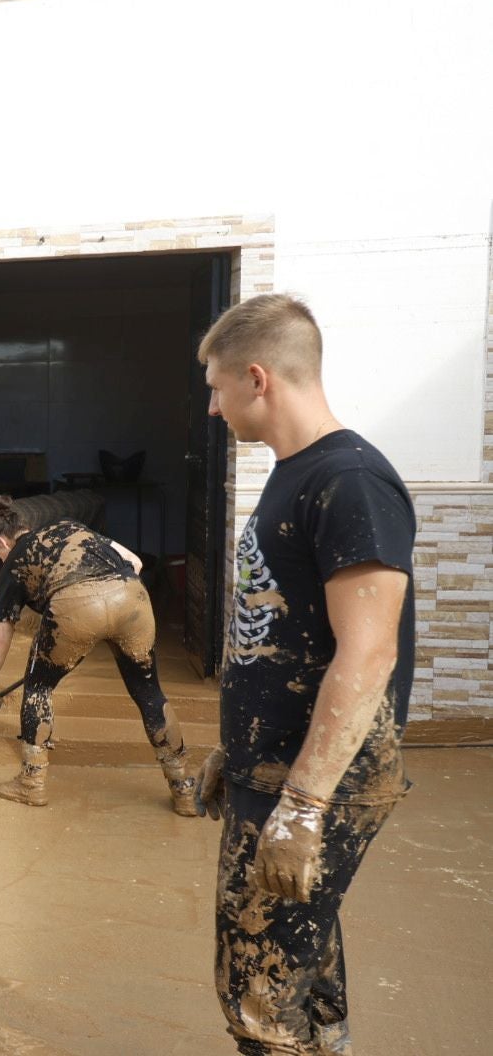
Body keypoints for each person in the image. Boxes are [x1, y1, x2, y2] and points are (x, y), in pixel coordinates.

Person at [193, 294, 413, 1055]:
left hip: (319, 783)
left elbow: (368, 652)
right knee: (305, 972)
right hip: (279, 768)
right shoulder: (295, 473)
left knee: (256, 991)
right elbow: (281, 634)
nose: (214, 409)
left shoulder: (349, 480)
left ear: (258, 378)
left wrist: (302, 804)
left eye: (217, 389)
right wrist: (239, 750)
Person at [0, 497, 200, 814]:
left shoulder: (14, 563)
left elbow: (0, 641)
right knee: (149, 692)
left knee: (38, 689)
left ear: (1, 541)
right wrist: (103, 621)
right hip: (132, 599)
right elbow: (135, 563)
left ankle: (31, 784)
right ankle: (184, 790)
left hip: (76, 609)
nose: (0, 558)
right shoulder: (70, 527)